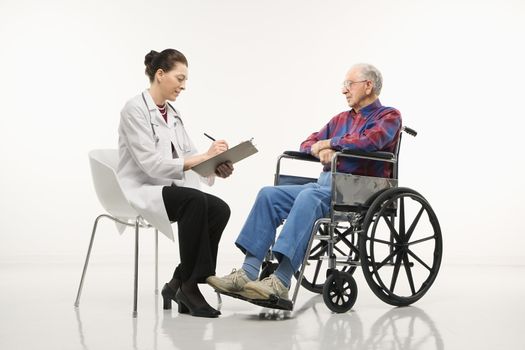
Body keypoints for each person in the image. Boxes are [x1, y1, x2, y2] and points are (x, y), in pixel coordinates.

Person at [206, 63, 401, 302]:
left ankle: (281, 280)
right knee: (269, 194)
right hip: (326, 184)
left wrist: (332, 144)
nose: (344, 90)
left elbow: (369, 141)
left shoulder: (389, 116)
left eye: (349, 84)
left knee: (310, 197)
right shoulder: (340, 119)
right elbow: (308, 143)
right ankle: (247, 272)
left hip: (359, 190)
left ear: (368, 85)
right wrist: (321, 148)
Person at [117, 48, 234, 318]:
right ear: (160, 75)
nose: (183, 86)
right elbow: (151, 164)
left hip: (169, 189)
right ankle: (190, 288)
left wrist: (216, 165)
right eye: (179, 78)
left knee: (219, 209)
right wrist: (202, 157)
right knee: (194, 201)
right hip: (142, 188)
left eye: (185, 80)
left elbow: (190, 156)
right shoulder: (134, 110)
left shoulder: (173, 113)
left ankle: (179, 282)